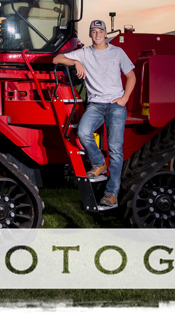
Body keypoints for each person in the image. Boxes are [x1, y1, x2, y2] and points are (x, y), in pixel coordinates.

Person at [53, 19, 135, 208]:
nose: (97, 35)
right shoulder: (84, 53)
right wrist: (75, 62)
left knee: (115, 151)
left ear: (106, 33)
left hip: (116, 105)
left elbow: (131, 76)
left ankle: (111, 194)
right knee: (82, 133)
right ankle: (99, 163)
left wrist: (124, 99)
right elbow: (56, 59)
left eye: (100, 31)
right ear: (90, 34)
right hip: (96, 105)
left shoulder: (117, 52)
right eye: (94, 32)